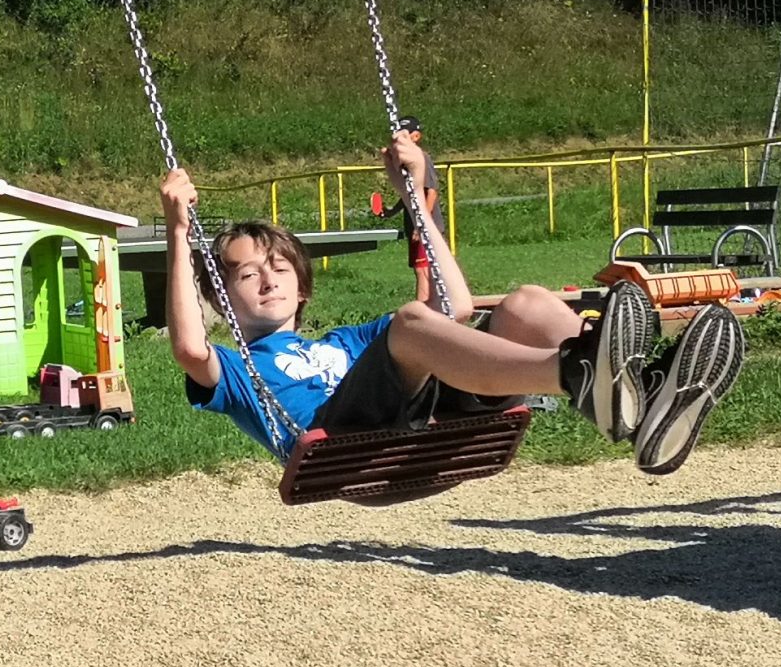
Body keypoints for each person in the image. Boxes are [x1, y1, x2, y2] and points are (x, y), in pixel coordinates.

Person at [160, 131, 745, 477]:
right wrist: (178, 231)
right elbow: (189, 348)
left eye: (280, 267)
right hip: (347, 441)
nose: (268, 279)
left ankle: (641, 399)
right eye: (247, 274)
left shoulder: (345, 342)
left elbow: (456, 305)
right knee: (412, 323)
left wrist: (415, 198)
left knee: (525, 302)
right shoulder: (238, 370)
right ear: (222, 300)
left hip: (425, 418)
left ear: (304, 287)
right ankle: (580, 374)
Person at [391, 114, 441, 305]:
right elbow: (409, 194)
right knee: (419, 270)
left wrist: (422, 225)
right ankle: (428, 307)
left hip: (425, 226)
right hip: (414, 224)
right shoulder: (405, 163)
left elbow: (432, 192)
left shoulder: (421, 159)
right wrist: (391, 211)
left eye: (405, 136)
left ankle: (424, 311)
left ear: (416, 137)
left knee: (423, 270)